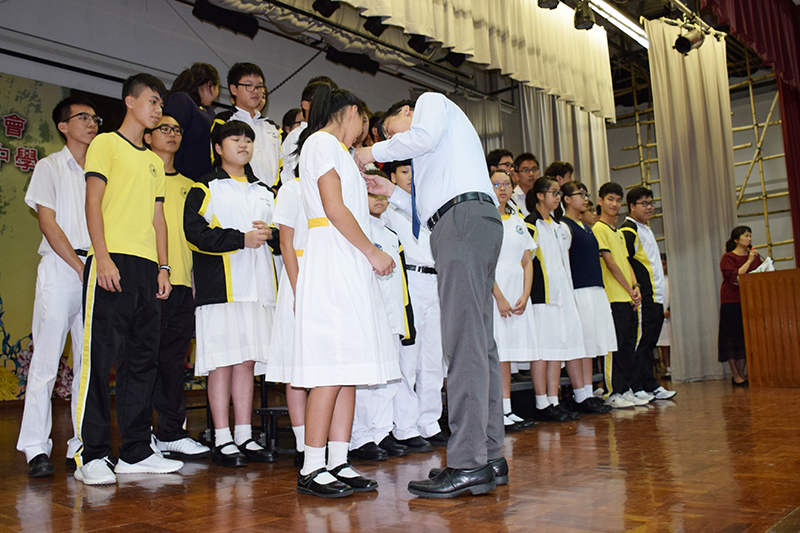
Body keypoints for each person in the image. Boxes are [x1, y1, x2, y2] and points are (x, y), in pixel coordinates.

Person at [355, 93, 506, 499]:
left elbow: (417, 139)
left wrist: (369, 150)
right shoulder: (439, 151)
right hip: (468, 221)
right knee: (480, 345)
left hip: (463, 223)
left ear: (405, 112)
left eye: (388, 129)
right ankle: (489, 454)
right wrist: (392, 189)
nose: (388, 142)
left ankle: (466, 463)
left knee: (463, 346)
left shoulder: (430, 103)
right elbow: (427, 213)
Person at [75, 73, 183, 485]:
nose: (158, 110)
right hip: (111, 260)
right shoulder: (105, 144)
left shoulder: (154, 161)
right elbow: (93, 201)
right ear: (130, 101)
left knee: (143, 361)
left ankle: (135, 451)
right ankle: (93, 454)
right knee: (100, 361)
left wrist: (163, 268)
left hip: (145, 270)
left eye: (161, 104)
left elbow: (158, 220)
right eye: (153, 102)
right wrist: (101, 258)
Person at [293, 85, 396, 498]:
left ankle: (338, 459)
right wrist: (372, 252)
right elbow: (334, 209)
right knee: (330, 367)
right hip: (335, 257)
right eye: (362, 124)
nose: (361, 134)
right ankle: (312, 464)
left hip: (350, 259)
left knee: (349, 367)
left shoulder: (341, 154)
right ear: (350, 110)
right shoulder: (319, 142)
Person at [184, 120, 279, 468]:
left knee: (247, 362)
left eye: (248, 139)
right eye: (234, 139)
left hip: (259, 291)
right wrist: (240, 239)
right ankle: (221, 437)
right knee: (221, 363)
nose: (243, 144)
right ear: (218, 148)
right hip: (221, 290)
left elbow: (284, 235)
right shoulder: (205, 187)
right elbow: (194, 232)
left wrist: (272, 235)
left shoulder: (264, 190)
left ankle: (244, 434)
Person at [17, 96, 98, 478]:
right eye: (83, 117)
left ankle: (81, 442)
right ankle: (35, 447)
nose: (92, 122)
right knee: (47, 361)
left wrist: (95, 267)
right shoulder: (49, 167)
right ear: (63, 125)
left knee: (88, 361)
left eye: (94, 117)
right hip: (61, 268)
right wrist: (78, 265)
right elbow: (47, 223)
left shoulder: (100, 170)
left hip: (95, 269)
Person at [143, 114, 211, 460]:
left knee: (172, 362)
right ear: (148, 135)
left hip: (183, 284)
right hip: (147, 280)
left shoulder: (190, 185)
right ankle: (140, 437)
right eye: (164, 128)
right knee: (142, 362)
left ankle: (170, 432)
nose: (171, 134)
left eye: (177, 130)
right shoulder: (138, 177)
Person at [381, 159, 447, 453]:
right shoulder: (388, 210)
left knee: (433, 357)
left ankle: (429, 422)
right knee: (408, 356)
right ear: (392, 176)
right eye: (405, 172)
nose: (411, 178)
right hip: (408, 278)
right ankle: (404, 425)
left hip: (436, 280)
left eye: (415, 172)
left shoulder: (430, 207)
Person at [350, 171, 414, 461]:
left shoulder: (390, 235)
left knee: (389, 377)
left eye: (381, 195)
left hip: (391, 315)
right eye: (371, 194)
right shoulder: (356, 231)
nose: (378, 200)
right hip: (365, 314)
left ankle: (381, 431)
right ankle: (360, 437)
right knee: (365, 380)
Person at [524, 177, 585, 422]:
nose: (558, 197)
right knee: (542, 350)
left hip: (560, 296)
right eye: (553, 192)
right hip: (541, 296)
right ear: (539, 195)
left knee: (555, 349)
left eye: (560, 193)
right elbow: (525, 261)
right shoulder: (530, 224)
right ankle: (541, 401)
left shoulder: (558, 226)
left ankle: (554, 399)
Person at [558, 181, 614, 415]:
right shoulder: (564, 226)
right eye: (579, 194)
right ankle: (580, 394)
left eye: (585, 194)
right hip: (577, 290)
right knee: (579, 345)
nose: (584, 198)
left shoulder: (586, 225)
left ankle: (589, 392)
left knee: (591, 344)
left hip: (594, 288)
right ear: (567, 199)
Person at [487, 169, 537, 431]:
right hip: (496, 296)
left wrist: (525, 294)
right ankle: (499, 411)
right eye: (496, 184)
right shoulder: (484, 221)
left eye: (506, 183)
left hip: (517, 295)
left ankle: (507, 409)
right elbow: (484, 263)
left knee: (508, 354)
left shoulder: (517, 220)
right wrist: (500, 297)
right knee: (498, 353)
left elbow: (527, 261)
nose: (502, 189)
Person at [592, 182, 646, 409]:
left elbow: (625, 261)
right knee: (614, 348)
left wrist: (635, 287)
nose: (614, 204)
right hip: (613, 298)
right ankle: (612, 391)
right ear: (600, 201)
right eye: (610, 199)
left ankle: (625, 388)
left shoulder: (618, 233)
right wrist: (626, 287)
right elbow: (610, 263)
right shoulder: (599, 229)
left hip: (627, 297)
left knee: (628, 346)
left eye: (617, 200)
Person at [620, 187, 676, 401]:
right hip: (645, 296)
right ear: (632, 206)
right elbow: (623, 260)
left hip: (657, 297)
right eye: (643, 203)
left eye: (651, 202)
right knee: (640, 343)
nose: (649, 207)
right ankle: (635, 385)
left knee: (650, 343)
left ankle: (649, 383)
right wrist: (635, 288)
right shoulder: (628, 230)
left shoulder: (646, 229)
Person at [212, 63, 281, 187]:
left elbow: (285, 162)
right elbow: (216, 158)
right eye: (249, 86)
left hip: (273, 197)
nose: (256, 91)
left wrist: (276, 188)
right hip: (237, 191)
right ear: (234, 89)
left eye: (259, 87)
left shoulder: (274, 128)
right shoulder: (223, 122)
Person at [718, 226, 761, 385]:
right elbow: (735, 278)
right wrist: (749, 261)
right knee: (732, 339)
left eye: (750, 235)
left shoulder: (754, 257)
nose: (749, 239)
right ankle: (735, 374)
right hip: (731, 302)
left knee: (745, 339)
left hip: (750, 301)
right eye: (746, 236)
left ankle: (742, 374)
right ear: (736, 240)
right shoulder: (728, 257)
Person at [163, 63, 220, 180]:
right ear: (210, 85)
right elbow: (168, 137)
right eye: (218, 87)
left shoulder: (209, 112)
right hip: (182, 174)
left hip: (202, 177)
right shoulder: (180, 100)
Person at [279, 76, 338, 185]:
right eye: (322, 101)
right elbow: (295, 175)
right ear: (305, 104)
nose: (327, 107)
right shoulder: (296, 135)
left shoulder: (334, 137)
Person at [657, 254, 671, 380]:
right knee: (664, 343)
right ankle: (668, 369)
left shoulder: (671, 279)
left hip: (671, 315)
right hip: (661, 316)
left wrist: (670, 309)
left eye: (664, 264)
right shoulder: (657, 280)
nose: (662, 267)